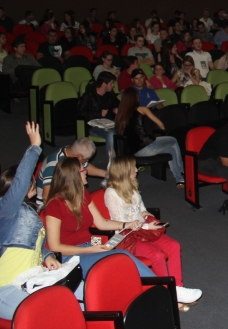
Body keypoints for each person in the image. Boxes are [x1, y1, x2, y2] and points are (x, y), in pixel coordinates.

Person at [44, 157, 161, 300]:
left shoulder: (83, 194)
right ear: (73, 176)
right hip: (71, 257)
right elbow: (55, 247)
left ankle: (157, 292)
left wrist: (126, 225)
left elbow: (102, 223)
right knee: (120, 258)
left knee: (121, 260)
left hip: (88, 247)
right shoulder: (55, 205)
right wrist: (89, 250)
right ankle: (161, 290)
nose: (86, 172)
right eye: (83, 170)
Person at [104, 156, 202, 310]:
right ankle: (167, 294)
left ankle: (177, 288)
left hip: (143, 230)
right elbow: (122, 222)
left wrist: (147, 215)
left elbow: (141, 208)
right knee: (156, 255)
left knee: (174, 246)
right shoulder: (111, 193)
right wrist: (146, 227)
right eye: (133, 168)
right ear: (124, 171)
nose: (136, 170)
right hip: (127, 236)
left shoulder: (132, 185)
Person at [0, 123, 62, 319]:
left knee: (72, 300)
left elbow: (34, 246)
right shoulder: (4, 211)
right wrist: (34, 147)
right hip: (6, 290)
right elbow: (20, 184)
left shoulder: (29, 212)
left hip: (31, 282)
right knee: (50, 314)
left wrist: (47, 256)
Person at [115, 87, 185, 186]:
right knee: (173, 140)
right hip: (147, 147)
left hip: (134, 151)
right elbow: (161, 125)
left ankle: (180, 180)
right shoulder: (142, 109)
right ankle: (182, 169)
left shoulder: (121, 114)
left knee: (171, 150)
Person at [36, 137, 107, 207]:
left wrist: (106, 174)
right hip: (47, 205)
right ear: (79, 157)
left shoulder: (70, 151)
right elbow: (46, 197)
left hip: (66, 195)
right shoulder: (53, 164)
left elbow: (85, 166)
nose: (87, 161)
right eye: (86, 159)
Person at [75, 72, 119, 162]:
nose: (113, 85)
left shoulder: (110, 94)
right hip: (94, 126)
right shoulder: (88, 96)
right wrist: (98, 113)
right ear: (104, 84)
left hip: (109, 123)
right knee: (110, 134)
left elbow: (119, 104)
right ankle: (113, 162)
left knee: (125, 128)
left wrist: (118, 109)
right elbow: (80, 112)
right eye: (111, 83)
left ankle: (126, 159)